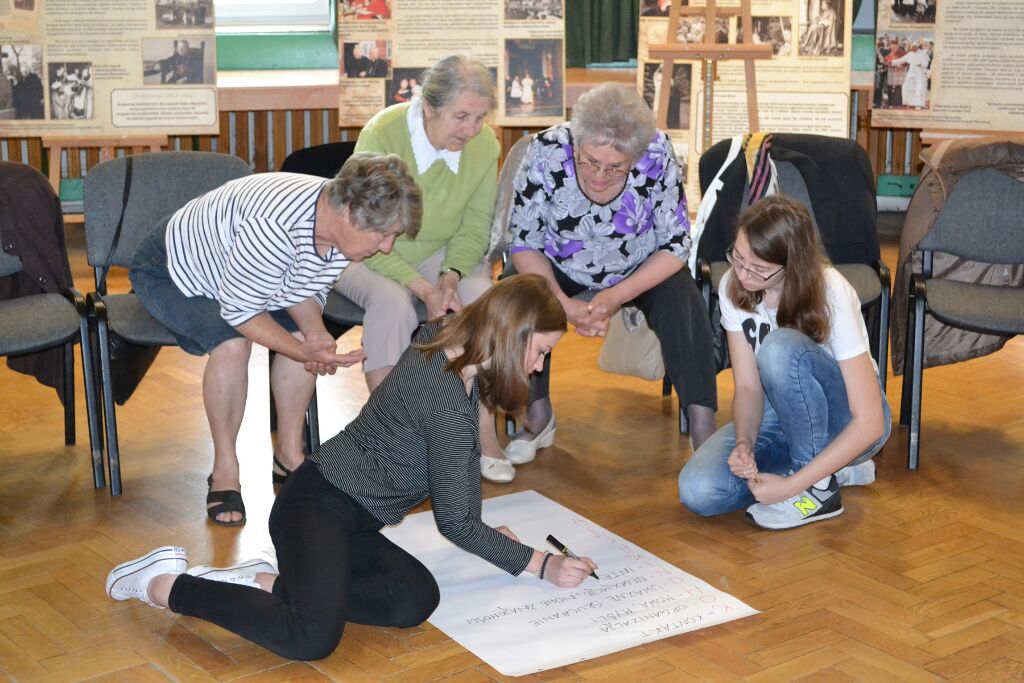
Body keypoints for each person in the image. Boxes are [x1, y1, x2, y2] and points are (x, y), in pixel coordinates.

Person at [104, 275, 597, 661]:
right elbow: (456, 521)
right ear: (512, 336)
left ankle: (271, 583)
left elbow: (460, 471)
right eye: (541, 351)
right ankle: (166, 585)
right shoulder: (447, 399)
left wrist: (487, 532)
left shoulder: (442, 343)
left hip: (354, 518)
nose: (538, 367)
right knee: (310, 638)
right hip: (314, 505)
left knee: (413, 599)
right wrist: (542, 563)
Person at [128, 153, 422, 526]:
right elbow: (240, 313)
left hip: (243, 273)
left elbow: (304, 287)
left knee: (303, 338)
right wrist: (300, 349)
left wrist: (314, 335)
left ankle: (288, 455)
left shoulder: (334, 225)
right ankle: (224, 469)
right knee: (232, 345)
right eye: (383, 235)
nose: (387, 247)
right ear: (349, 213)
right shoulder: (274, 228)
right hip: (173, 270)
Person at [504, 82, 718, 478]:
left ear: (635, 155)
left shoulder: (657, 152)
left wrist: (616, 296)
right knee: (516, 293)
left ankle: (703, 426)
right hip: (558, 264)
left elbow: (675, 245)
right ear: (577, 142)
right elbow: (523, 241)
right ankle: (537, 413)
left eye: (616, 167)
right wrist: (564, 305)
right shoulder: (548, 149)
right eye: (590, 162)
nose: (600, 176)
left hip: (637, 265)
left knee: (683, 297)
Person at [333, 55, 507, 478]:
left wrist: (450, 276)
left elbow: (476, 225)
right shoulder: (383, 132)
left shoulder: (485, 145)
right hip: (369, 249)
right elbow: (365, 226)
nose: (471, 130)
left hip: (441, 254)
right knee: (392, 303)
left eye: (480, 117)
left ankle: (482, 431)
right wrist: (423, 288)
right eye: (461, 117)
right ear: (429, 107)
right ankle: (392, 438)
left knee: (483, 300)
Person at [678, 196, 891, 530]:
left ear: (791, 265)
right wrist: (745, 443)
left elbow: (871, 423)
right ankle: (832, 469)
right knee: (698, 490)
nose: (743, 274)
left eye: (759, 268)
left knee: (778, 348)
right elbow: (748, 388)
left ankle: (816, 491)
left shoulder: (831, 290)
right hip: (780, 414)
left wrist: (792, 487)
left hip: (847, 419)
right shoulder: (734, 285)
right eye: (738, 257)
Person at [890, 43, 930, 109]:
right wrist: (892, 62)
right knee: (906, 86)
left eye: (914, 47)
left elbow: (926, 64)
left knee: (918, 88)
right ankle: (909, 102)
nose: (912, 49)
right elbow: (901, 60)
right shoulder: (910, 54)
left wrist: (921, 64)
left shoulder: (923, 54)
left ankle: (918, 104)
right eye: (912, 48)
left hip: (919, 73)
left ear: (917, 47)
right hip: (911, 72)